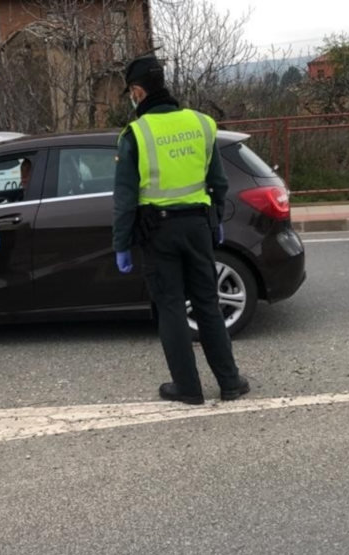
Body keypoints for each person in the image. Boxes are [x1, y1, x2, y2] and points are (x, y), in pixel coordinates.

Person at [112, 55, 249, 405]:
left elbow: (125, 199)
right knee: (207, 303)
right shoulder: (201, 124)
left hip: (158, 233)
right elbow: (218, 183)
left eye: (131, 92)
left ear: (139, 92)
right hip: (198, 227)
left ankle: (188, 388)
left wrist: (122, 244)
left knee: (171, 307)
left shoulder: (136, 134)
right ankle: (230, 382)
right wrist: (215, 221)